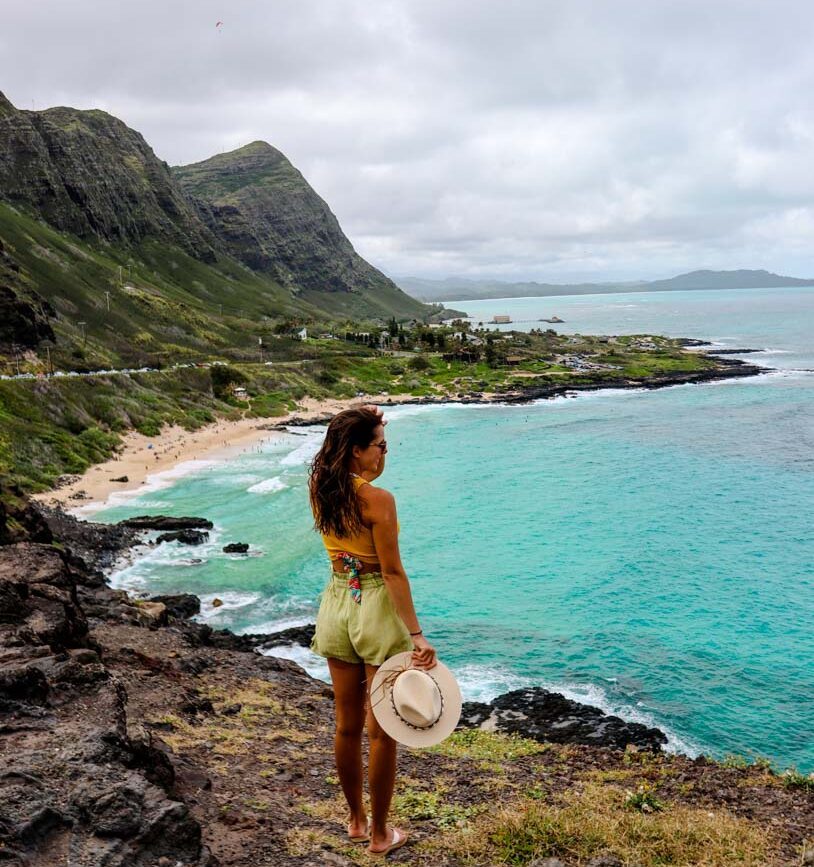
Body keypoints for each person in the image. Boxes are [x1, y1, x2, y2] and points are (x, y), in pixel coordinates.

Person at [308, 406, 436, 857]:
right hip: (377, 607)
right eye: (380, 445)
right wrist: (417, 635)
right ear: (358, 451)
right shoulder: (378, 500)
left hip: (338, 603)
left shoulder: (321, 488)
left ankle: (357, 822)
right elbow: (394, 572)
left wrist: (367, 419)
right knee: (381, 731)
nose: (386, 452)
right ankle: (381, 834)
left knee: (346, 725)